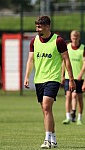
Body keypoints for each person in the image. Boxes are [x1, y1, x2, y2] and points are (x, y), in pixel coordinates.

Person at [24, 16, 75, 149]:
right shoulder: (34, 41)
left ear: (47, 26)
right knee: (46, 110)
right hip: (39, 79)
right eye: (36, 27)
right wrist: (26, 76)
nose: (37, 29)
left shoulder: (58, 41)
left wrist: (71, 79)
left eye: (40, 27)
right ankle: (54, 139)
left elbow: (67, 60)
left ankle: (47, 140)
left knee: (46, 107)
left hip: (53, 78)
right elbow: (30, 60)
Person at [62, 30, 85, 125]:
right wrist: (62, 75)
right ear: (71, 37)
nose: (75, 38)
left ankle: (79, 117)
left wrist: (81, 73)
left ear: (79, 37)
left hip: (78, 77)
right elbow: (64, 62)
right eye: (73, 36)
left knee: (78, 97)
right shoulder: (67, 47)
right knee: (68, 96)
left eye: (76, 36)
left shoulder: (83, 48)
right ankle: (68, 116)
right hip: (69, 77)